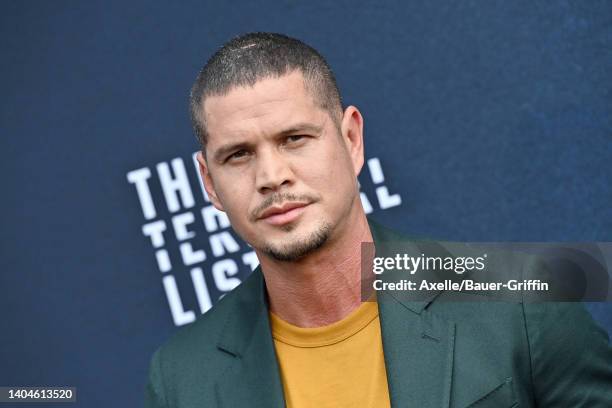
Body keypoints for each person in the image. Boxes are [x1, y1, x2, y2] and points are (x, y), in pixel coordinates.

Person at [145, 32, 612, 407]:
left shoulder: (518, 292)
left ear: (351, 139)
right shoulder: (182, 377)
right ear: (209, 182)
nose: (272, 176)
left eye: (294, 138)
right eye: (239, 155)